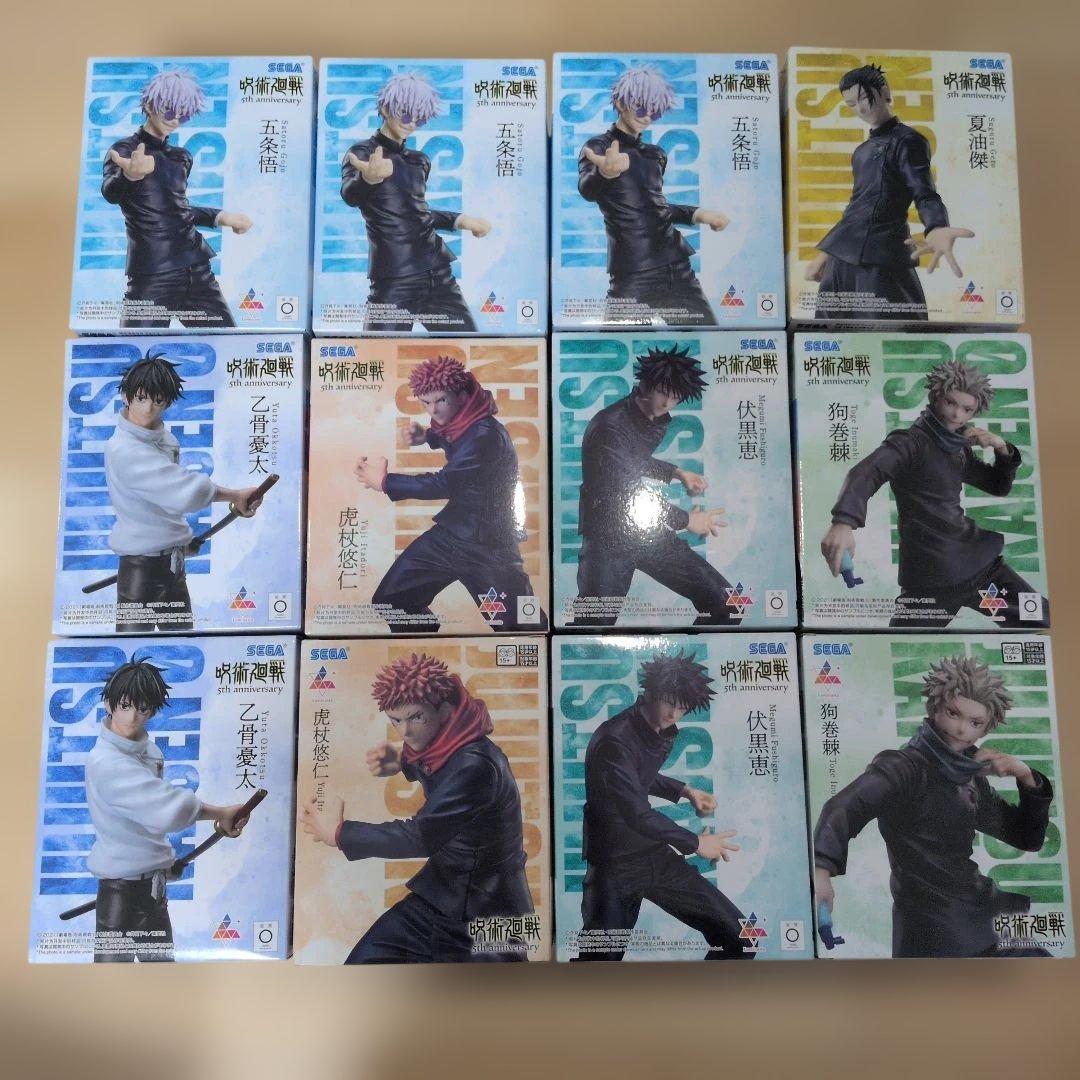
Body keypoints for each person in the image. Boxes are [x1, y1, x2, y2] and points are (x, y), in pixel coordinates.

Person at [300, 653, 534, 963]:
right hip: (440, 899)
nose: (405, 732)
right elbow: (434, 759)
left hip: (491, 911)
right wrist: (401, 762)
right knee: (362, 965)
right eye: (395, 721)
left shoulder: (476, 765)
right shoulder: (450, 741)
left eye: (415, 718)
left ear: (445, 711)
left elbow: (420, 836)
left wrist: (341, 834)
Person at [814, 655, 1054, 957]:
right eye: (953, 713)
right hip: (932, 927)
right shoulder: (904, 767)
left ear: (985, 730)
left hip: (979, 917)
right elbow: (844, 808)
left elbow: (1027, 838)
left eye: (975, 723)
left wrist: (1025, 775)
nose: (961, 729)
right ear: (935, 707)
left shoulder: (969, 776)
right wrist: (821, 874)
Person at [821, 359, 1049, 627]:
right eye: (951, 403)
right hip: (929, 581)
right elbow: (867, 472)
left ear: (974, 412)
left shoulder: (959, 448)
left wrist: (1002, 448)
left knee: (1040, 619)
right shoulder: (910, 443)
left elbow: (997, 486)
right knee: (903, 644)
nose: (956, 414)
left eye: (967, 409)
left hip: (977, 569)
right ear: (935, 397)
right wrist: (843, 522)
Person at [575, 651, 751, 961]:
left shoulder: (655, 728)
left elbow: (636, 775)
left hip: (652, 852)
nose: (673, 715)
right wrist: (696, 843)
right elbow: (636, 811)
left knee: (742, 938)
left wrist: (685, 790)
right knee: (598, 966)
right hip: (613, 865)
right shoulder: (614, 740)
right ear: (650, 693)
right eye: (669, 703)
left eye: (682, 708)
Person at [355, 355, 545, 632]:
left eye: (440, 400)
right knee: (392, 600)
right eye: (425, 403)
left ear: (462, 395)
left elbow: (443, 483)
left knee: (522, 626)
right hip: (451, 536)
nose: (433, 410)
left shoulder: (485, 435)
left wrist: (384, 482)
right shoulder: (466, 422)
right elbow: (455, 436)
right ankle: (426, 646)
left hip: (488, 548)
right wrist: (428, 437)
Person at [86, 658, 251, 962]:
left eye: (143, 709)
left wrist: (162, 864)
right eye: (125, 705)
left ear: (152, 711)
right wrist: (221, 813)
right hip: (120, 894)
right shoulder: (106, 762)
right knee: (111, 980)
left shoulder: (148, 751)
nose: (133, 717)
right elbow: (164, 809)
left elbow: (145, 824)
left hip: (154, 890)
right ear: (109, 703)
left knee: (162, 972)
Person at [572, 345, 736, 626]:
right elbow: (622, 492)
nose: (667, 404)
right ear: (645, 384)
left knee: (730, 605)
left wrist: (676, 472)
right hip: (608, 538)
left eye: (676, 397)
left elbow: (631, 460)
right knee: (593, 625)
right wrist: (687, 520)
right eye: (663, 393)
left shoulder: (649, 417)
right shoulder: (610, 426)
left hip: (645, 533)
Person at [105, 352, 264, 632]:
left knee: (182, 643)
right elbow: (181, 491)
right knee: (133, 645)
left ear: (167, 402)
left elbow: (162, 505)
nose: (148, 408)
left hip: (173, 565)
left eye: (158, 400)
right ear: (126, 397)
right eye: (141, 398)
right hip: (140, 569)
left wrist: (179, 542)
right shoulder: (124, 450)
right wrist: (235, 495)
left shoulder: (163, 439)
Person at [805, 64, 974, 321]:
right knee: (830, 338)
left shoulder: (908, 141)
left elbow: (924, 192)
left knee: (891, 335)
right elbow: (857, 208)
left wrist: (936, 226)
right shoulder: (861, 152)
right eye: (851, 104)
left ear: (884, 92)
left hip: (882, 259)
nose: (860, 109)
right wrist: (825, 255)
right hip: (841, 262)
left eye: (864, 98)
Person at [578, 66, 729, 326]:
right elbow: (587, 190)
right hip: (632, 272)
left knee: (709, 339)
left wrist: (699, 214)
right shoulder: (598, 147)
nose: (647, 117)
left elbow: (653, 207)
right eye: (640, 108)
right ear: (620, 103)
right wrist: (604, 173)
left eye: (655, 111)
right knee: (617, 344)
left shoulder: (656, 154)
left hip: (677, 267)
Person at [341, 72, 490, 332]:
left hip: (439, 274)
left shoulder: (419, 161)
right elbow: (350, 195)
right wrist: (368, 178)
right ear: (385, 108)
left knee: (469, 348)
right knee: (378, 354)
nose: (411, 124)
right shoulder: (362, 153)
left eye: (419, 119)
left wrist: (460, 220)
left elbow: (414, 213)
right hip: (393, 279)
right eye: (406, 115)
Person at [102, 70, 252, 328]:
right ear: (150, 104)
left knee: (228, 345)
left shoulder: (181, 157)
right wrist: (130, 175)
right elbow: (110, 192)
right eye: (170, 111)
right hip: (152, 274)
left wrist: (221, 217)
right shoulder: (124, 150)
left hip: (197, 270)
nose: (175, 121)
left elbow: (174, 210)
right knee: (137, 349)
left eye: (183, 116)